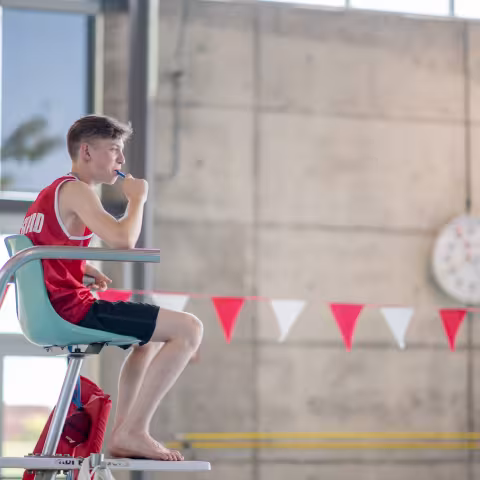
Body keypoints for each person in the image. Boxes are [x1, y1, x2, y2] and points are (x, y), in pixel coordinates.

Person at [19, 114, 203, 461]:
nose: (121, 160)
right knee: (190, 329)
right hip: (70, 308)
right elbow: (123, 240)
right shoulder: (77, 190)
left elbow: (41, 251)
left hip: (51, 308)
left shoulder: (50, 193)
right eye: (115, 150)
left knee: (145, 341)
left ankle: (127, 432)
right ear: (86, 151)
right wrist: (138, 200)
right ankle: (133, 431)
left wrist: (81, 267)